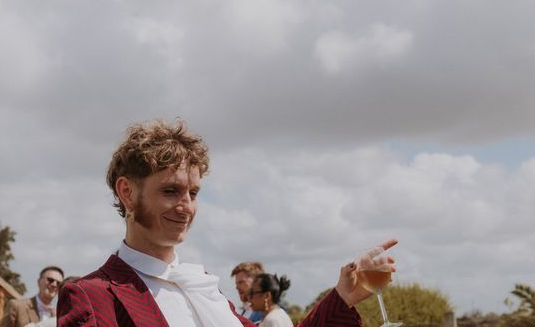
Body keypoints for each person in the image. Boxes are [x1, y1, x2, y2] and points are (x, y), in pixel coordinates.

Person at [57, 119, 398, 327]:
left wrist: (343, 297)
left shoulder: (203, 287)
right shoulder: (90, 296)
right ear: (127, 193)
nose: (186, 207)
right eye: (171, 190)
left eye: (193, 192)